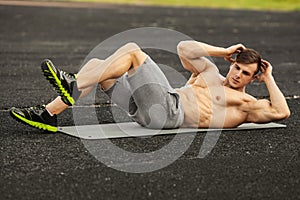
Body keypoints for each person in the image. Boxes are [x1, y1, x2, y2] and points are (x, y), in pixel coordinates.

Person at [9, 41, 290, 132]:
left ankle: (72, 85)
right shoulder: (211, 72)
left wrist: (269, 78)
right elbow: (184, 48)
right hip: (144, 111)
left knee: (132, 51)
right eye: (237, 67)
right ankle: (49, 114)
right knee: (98, 65)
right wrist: (222, 51)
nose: (238, 74)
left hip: (169, 112)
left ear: (254, 78)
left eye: (245, 73)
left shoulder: (245, 104)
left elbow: (281, 112)